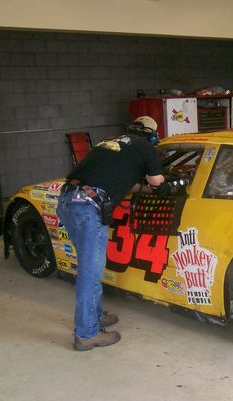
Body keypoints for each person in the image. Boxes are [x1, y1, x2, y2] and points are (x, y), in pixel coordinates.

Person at [57, 116, 165, 351]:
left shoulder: (109, 143)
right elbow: (158, 181)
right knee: (90, 272)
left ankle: (94, 317)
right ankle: (86, 334)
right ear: (152, 135)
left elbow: (116, 179)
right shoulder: (145, 147)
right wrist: (156, 184)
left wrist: (141, 187)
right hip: (88, 206)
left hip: (68, 199)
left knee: (90, 266)